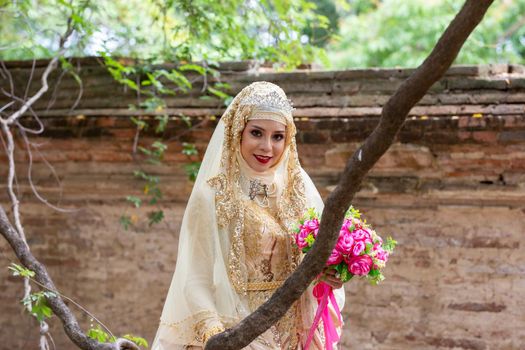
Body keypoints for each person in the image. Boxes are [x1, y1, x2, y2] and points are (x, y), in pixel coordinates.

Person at [152, 82, 345, 350]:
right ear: (237, 132)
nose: (267, 147)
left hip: (299, 335)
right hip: (238, 334)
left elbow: (308, 264)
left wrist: (328, 274)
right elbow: (195, 280)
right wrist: (219, 337)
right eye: (257, 133)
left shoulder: (298, 192)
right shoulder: (210, 197)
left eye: (278, 136)